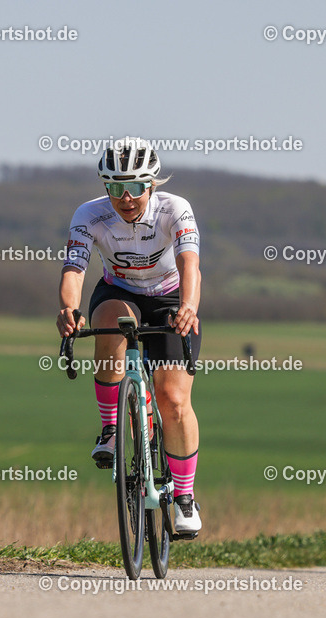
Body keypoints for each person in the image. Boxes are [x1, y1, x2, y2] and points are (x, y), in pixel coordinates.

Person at [56, 136, 203, 533]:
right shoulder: (89, 215)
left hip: (170, 297)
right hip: (118, 292)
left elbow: (190, 264)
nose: (125, 197)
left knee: (173, 399)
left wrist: (189, 306)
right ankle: (110, 429)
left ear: (151, 184)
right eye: (115, 187)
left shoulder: (174, 209)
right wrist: (69, 309)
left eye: (135, 187)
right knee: (110, 320)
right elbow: (74, 268)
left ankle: (184, 497)